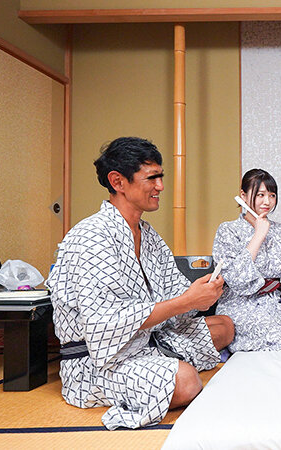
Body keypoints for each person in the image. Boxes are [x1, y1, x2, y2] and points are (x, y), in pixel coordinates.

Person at [46, 137, 235, 430]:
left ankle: (164, 364)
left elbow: (175, 296)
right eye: (152, 178)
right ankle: (166, 370)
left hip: (147, 341)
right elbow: (104, 324)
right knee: (187, 381)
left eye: (161, 177)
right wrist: (186, 301)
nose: (161, 186)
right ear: (118, 181)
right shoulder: (91, 237)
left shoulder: (148, 235)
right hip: (98, 362)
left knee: (225, 326)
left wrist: (201, 294)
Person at [211, 169, 281, 351]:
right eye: (260, 195)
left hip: (276, 301)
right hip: (240, 303)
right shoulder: (228, 230)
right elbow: (235, 277)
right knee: (273, 333)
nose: (267, 201)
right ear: (243, 196)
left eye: (272, 195)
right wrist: (259, 235)